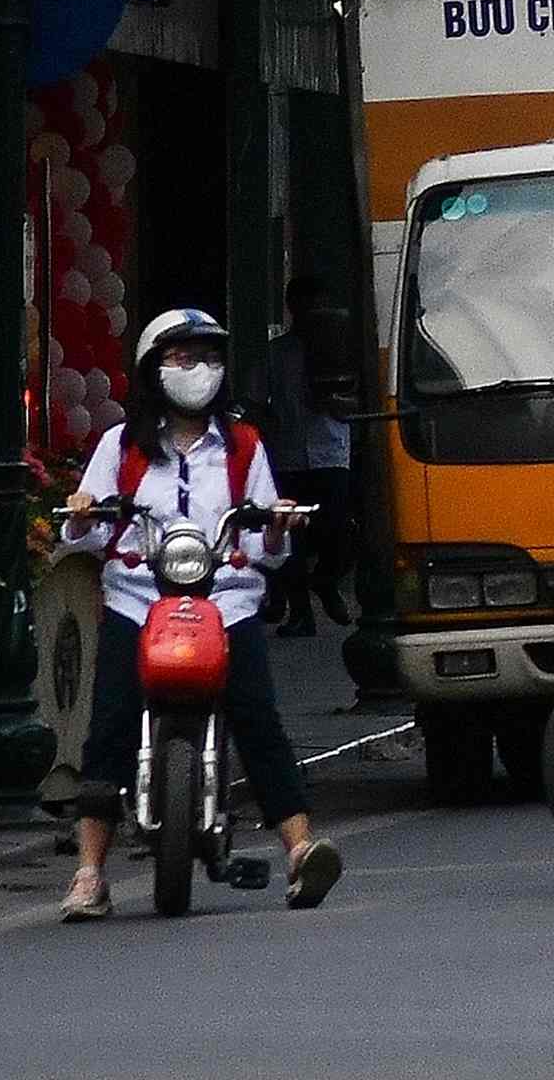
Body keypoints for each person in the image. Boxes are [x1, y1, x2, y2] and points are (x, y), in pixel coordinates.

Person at [54, 309, 342, 918]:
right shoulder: (120, 446)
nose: (198, 370)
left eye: (208, 358)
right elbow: (82, 535)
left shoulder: (243, 446)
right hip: (137, 599)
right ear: (154, 369)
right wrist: (83, 511)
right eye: (182, 358)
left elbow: (270, 542)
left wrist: (279, 522)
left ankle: (299, 849)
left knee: (257, 716)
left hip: (226, 600)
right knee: (108, 725)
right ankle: (88, 872)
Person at [255, 271, 361, 638]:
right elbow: (257, 401)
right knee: (292, 539)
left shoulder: (343, 350)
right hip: (289, 456)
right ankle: (300, 612)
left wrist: (335, 403)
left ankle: (327, 579)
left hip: (331, 452)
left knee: (338, 532)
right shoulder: (278, 354)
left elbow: (359, 399)